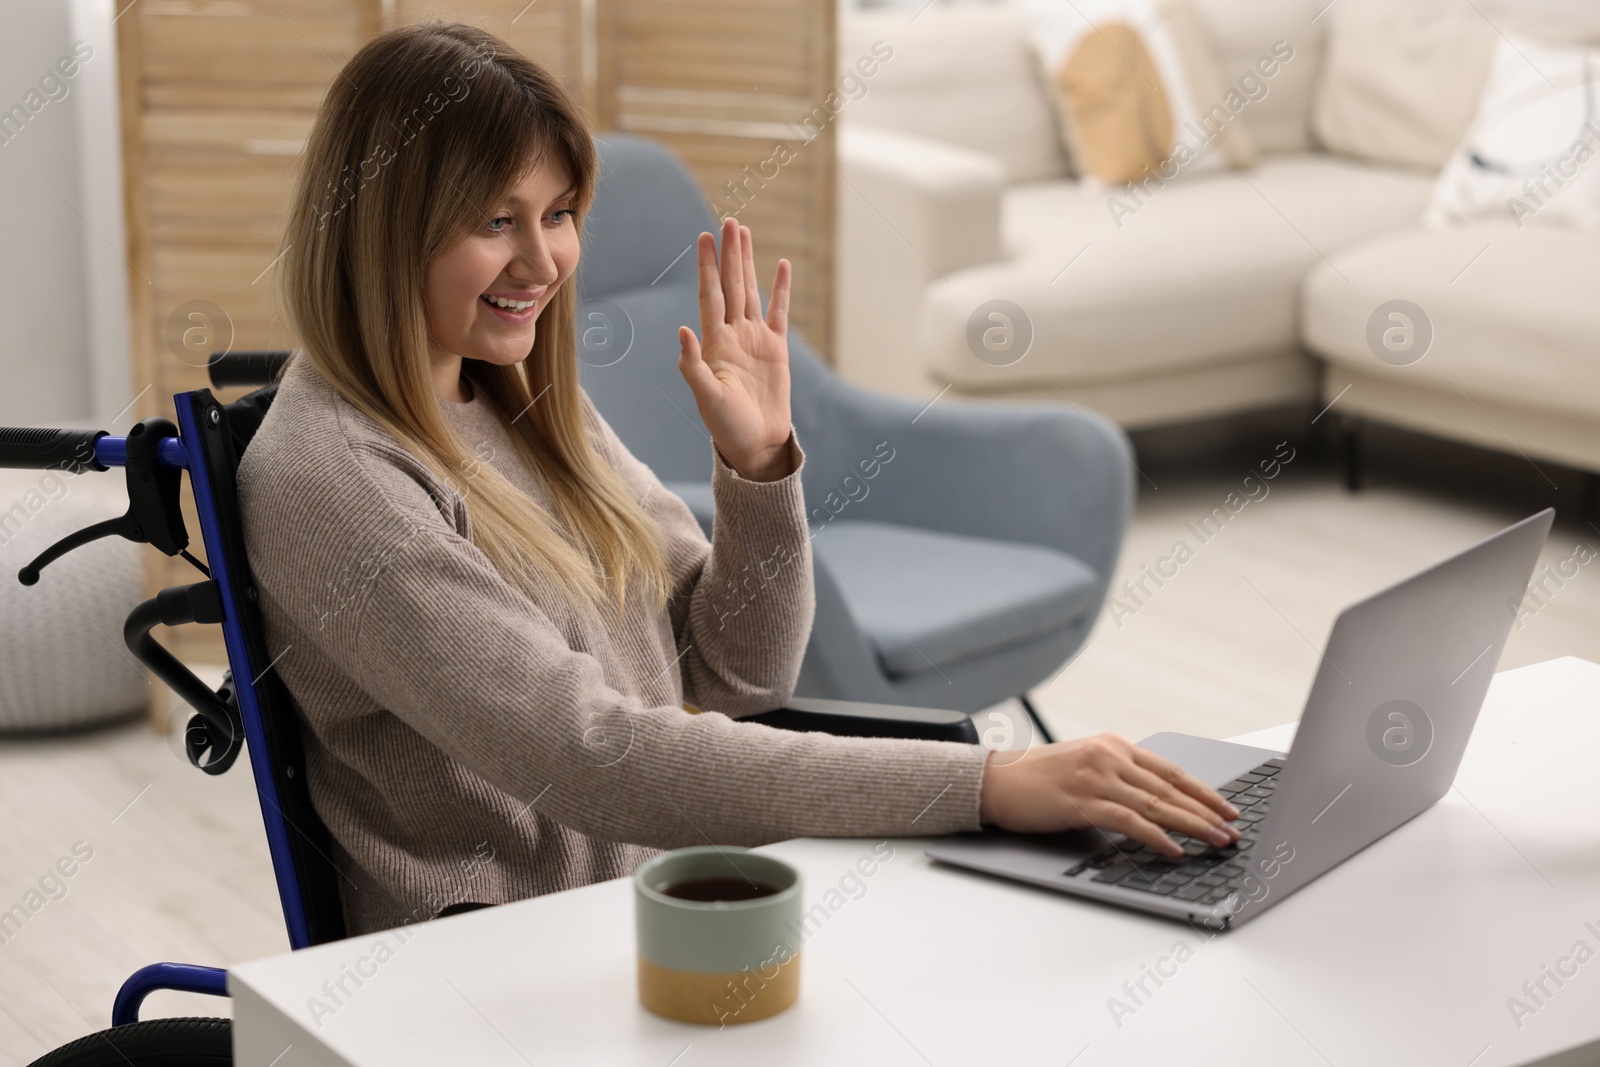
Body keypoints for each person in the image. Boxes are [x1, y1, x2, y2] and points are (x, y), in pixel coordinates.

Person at [236, 21, 1238, 937]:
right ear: (382, 229)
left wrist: (757, 469)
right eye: (496, 221)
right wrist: (985, 781)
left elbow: (740, 675)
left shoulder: (518, 397)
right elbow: (590, 756)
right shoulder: (332, 473)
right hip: (498, 954)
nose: (544, 260)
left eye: (560, 213)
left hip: (655, 901)